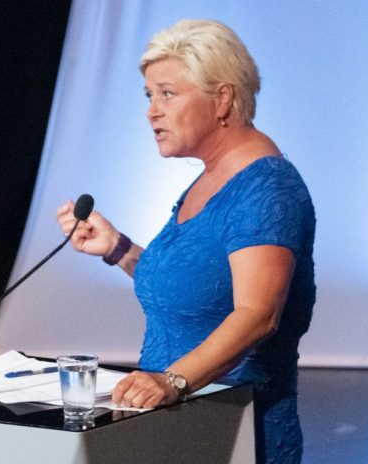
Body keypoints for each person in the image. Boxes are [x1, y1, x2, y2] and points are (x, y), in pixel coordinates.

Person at [56, 19, 315, 464]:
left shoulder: (266, 189)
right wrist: (119, 249)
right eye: (149, 96)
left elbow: (258, 315)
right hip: (180, 428)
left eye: (167, 93)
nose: (152, 111)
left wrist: (172, 381)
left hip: (238, 435)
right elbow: (197, 284)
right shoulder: (211, 179)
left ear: (223, 99)